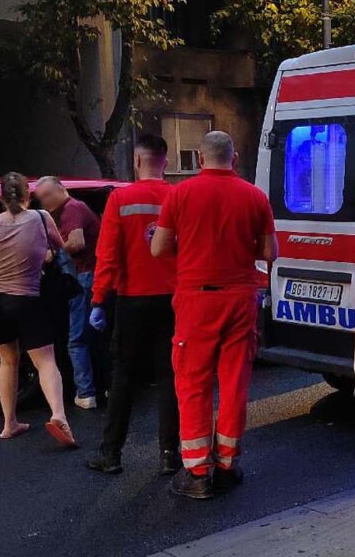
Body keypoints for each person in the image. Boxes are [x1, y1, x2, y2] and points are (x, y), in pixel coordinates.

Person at [151, 131, 278, 499]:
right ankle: (226, 464)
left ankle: (197, 472)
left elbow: (159, 249)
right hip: (240, 298)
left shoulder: (180, 194)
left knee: (193, 382)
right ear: (233, 158)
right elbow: (270, 252)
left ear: (200, 159)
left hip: (196, 299)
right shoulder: (255, 197)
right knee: (235, 382)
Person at [0, 172, 77, 447]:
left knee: (8, 362)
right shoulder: (41, 218)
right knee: (46, 361)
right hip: (30, 301)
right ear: (27, 196)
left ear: (1, 198)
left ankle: (9, 423)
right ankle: (59, 415)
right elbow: (60, 247)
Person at [85, 134, 181, 476]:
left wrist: (98, 300)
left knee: (124, 376)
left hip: (132, 300)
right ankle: (170, 454)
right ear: (165, 162)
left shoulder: (120, 199)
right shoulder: (178, 196)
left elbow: (107, 255)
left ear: (137, 161)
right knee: (170, 376)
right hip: (173, 300)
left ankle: (111, 453)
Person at [35, 176, 101, 410]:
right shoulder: (71, 210)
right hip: (89, 277)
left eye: (47, 195)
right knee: (93, 335)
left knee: (77, 338)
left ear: (61, 190)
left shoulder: (72, 209)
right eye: (40, 198)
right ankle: (101, 387)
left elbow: (77, 242)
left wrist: (53, 253)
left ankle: (85, 392)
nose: (44, 202)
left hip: (83, 278)